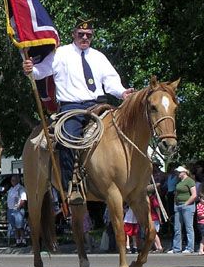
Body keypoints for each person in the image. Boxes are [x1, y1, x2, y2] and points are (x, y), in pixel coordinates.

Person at [22, 19, 134, 205]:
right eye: (81, 34)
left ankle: (140, 178)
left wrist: (122, 92)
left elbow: (111, 81)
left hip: (99, 105)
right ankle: (71, 187)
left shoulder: (99, 56)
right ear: (73, 34)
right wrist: (30, 70)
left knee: (127, 130)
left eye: (88, 35)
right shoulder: (60, 54)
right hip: (71, 108)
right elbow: (41, 71)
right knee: (68, 138)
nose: (84, 38)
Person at [168, 166, 197, 254]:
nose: (178, 174)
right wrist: (175, 204)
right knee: (177, 227)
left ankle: (190, 248)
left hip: (187, 206)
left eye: (179, 172)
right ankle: (176, 248)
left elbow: (194, 194)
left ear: (184, 172)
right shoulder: (179, 181)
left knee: (188, 227)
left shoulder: (190, 181)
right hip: (178, 205)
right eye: (177, 172)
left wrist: (186, 203)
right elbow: (176, 193)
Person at [7, 174, 27, 247]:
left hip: (18, 210)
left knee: (20, 227)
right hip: (10, 210)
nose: (12, 181)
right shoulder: (11, 189)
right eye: (12, 180)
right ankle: (18, 241)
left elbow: (23, 200)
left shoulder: (21, 188)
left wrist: (18, 207)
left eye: (14, 180)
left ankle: (23, 241)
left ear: (18, 180)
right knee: (15, 227)